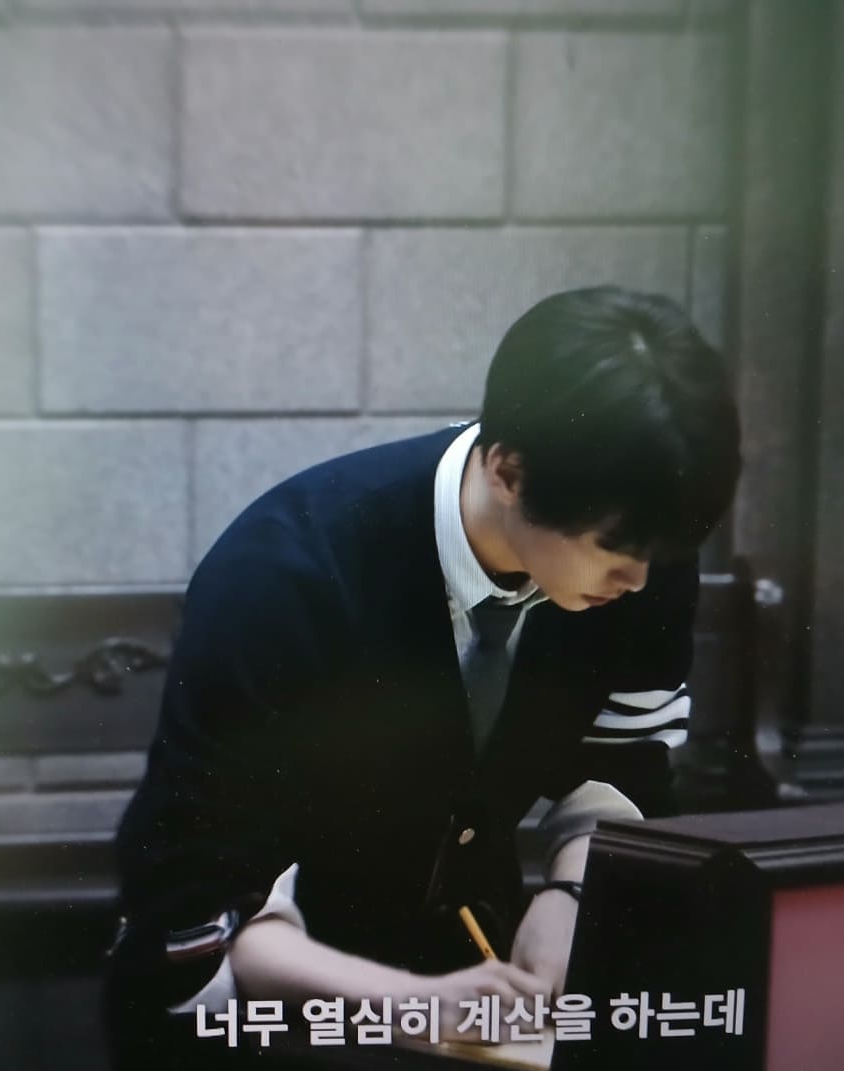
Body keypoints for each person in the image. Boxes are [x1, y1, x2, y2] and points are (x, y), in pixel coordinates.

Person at [103, 286, 742, 1067]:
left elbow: (625, 763)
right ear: (508, 471)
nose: (639, 580)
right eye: (616, 550)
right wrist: (405, 1002)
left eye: (661, 554)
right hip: (261, 1011)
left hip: (466, 985)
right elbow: (198, 904)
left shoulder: (642, 548)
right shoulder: (286, 574)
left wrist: (569, 896)